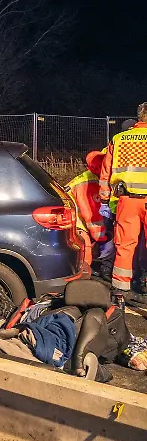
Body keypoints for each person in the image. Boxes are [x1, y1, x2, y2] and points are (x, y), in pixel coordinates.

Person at [98, 102, 147, 305]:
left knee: (125, 246)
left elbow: (106, 172)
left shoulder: (119, 139)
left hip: (126, 200)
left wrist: (104, 200)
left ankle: (120, 290)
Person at [66, 150, 107, 273]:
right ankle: (84, 275)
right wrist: (103, 239)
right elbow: (91, 217)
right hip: (73, 221)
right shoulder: (89, 184)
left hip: (73, 218)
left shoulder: (91, 179)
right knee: (85, 244)